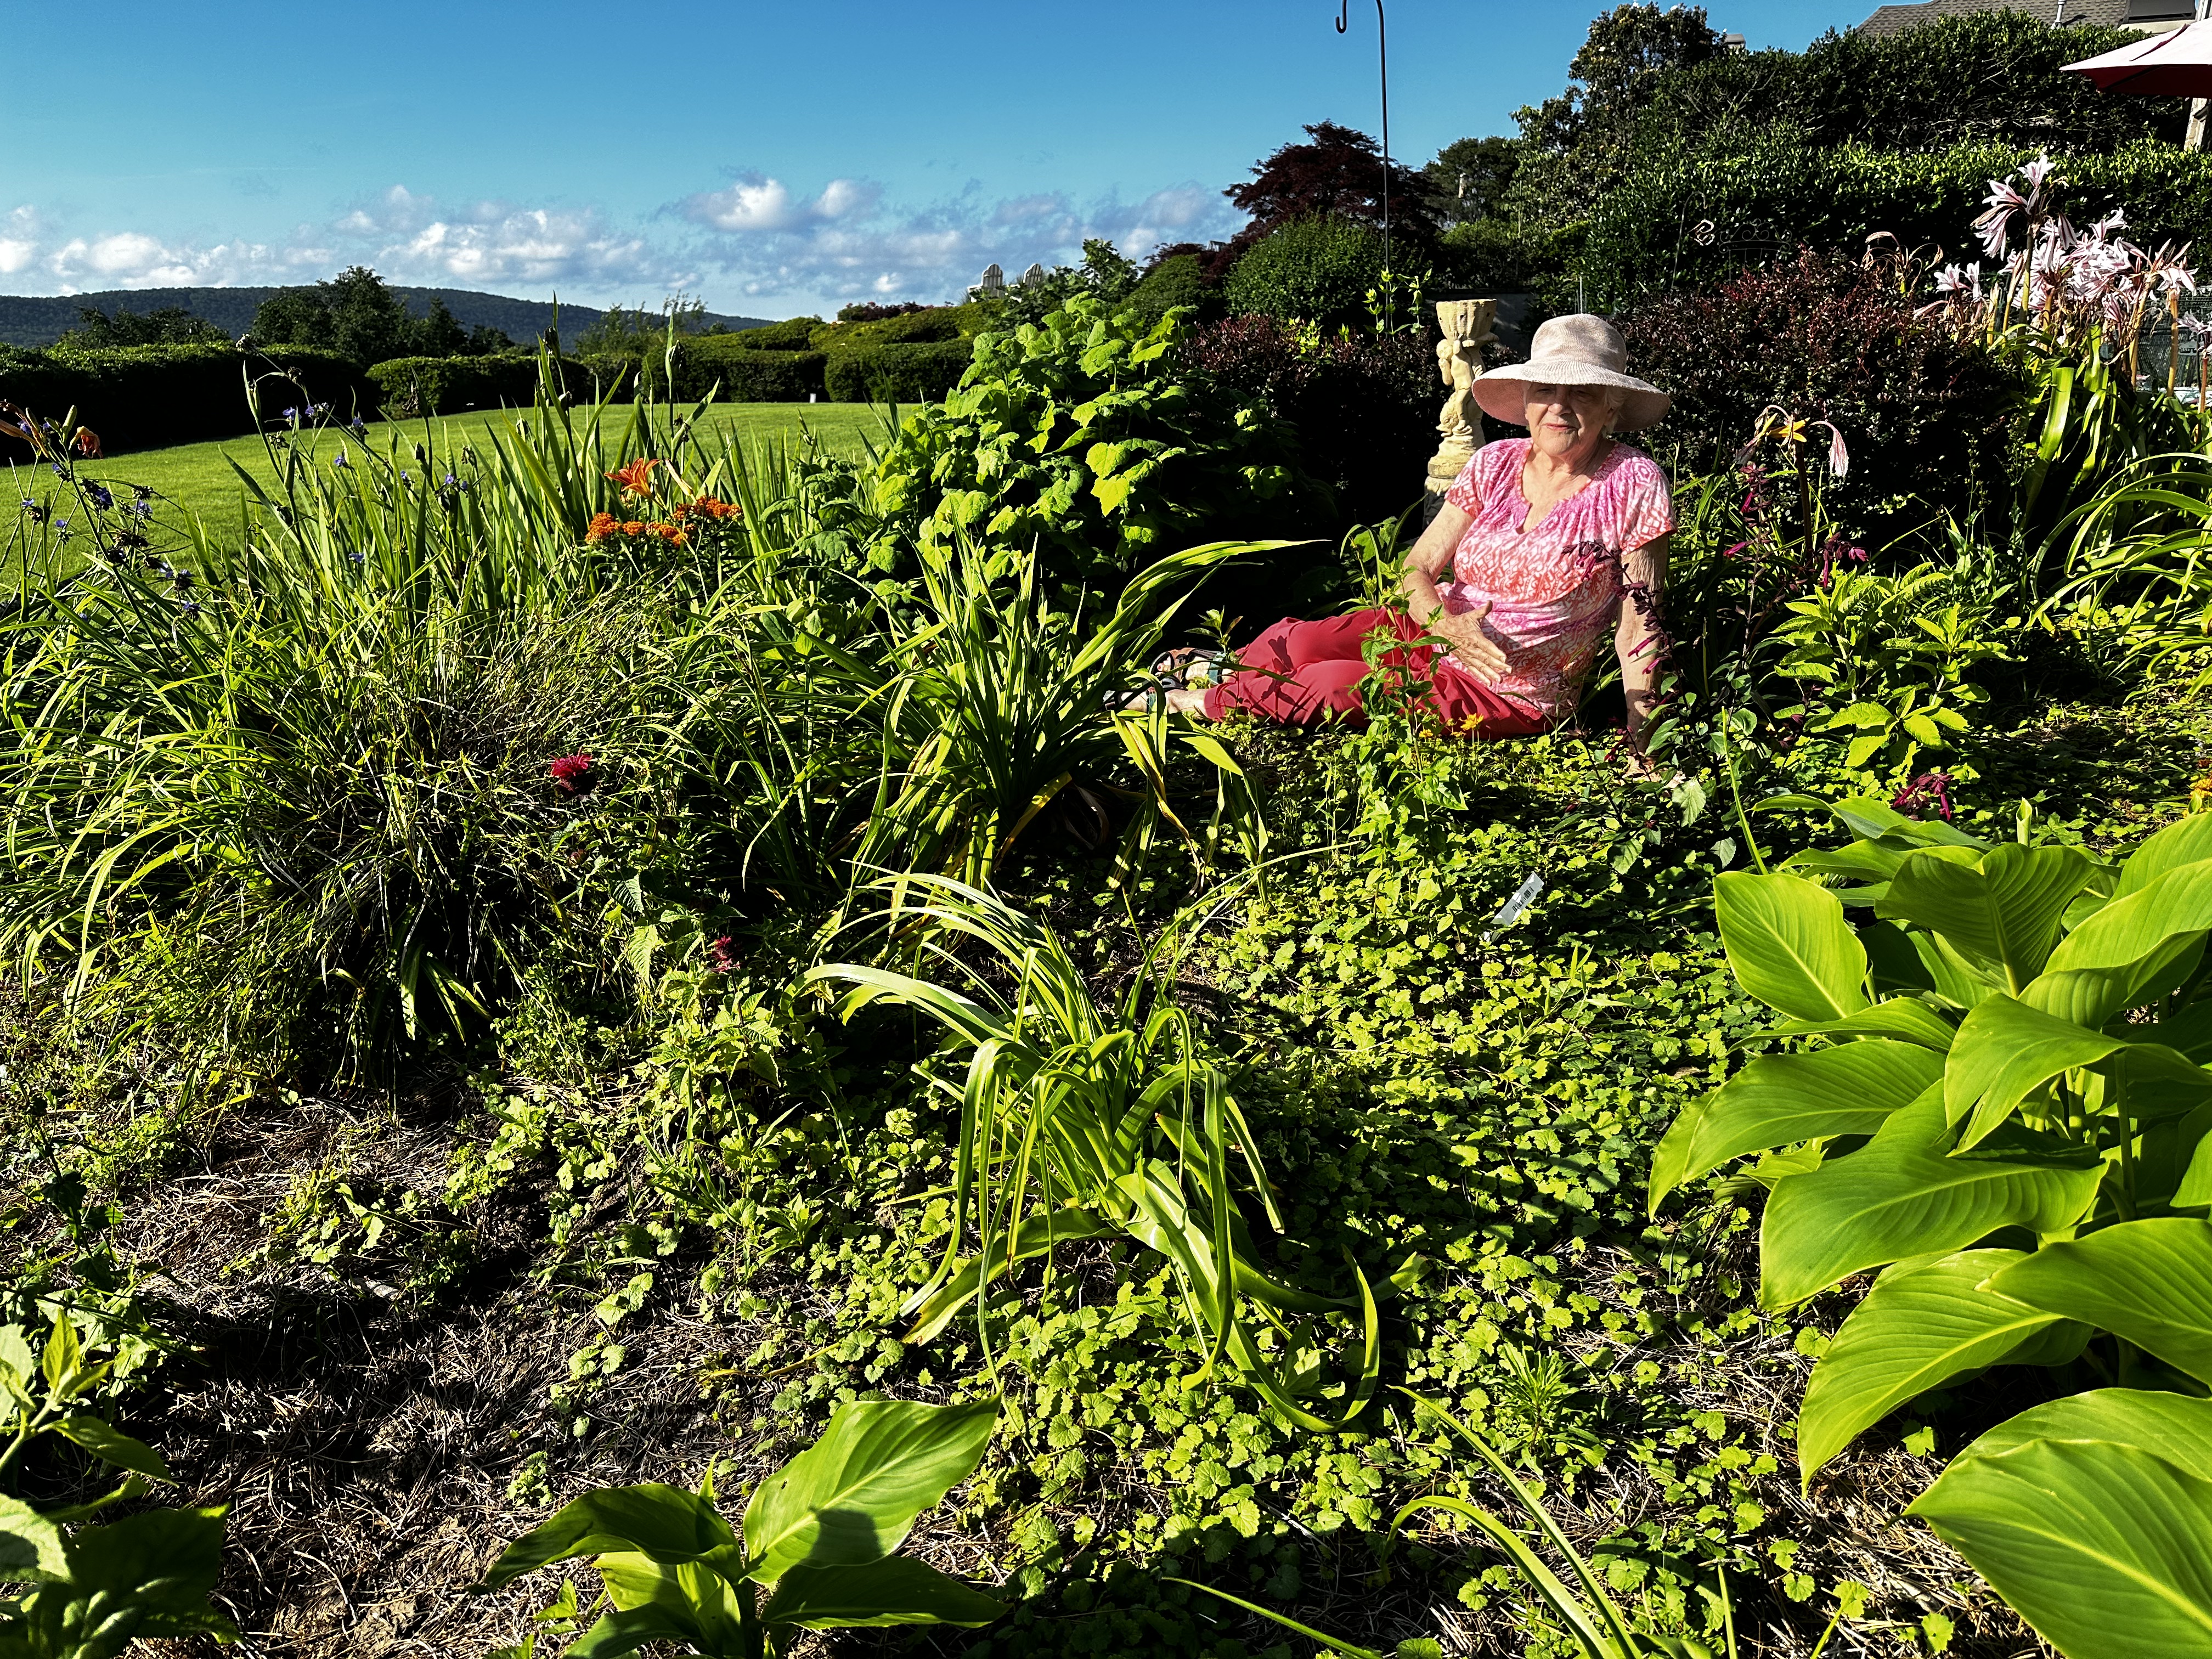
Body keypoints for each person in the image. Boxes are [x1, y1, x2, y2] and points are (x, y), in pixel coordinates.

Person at [1155, 314, 1674, 770]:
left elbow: (1640, 624)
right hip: (1434, 631)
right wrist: (1445, 624)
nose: (1558, 407)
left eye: (1581, 392)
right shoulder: (1496, 462)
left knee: (1332, 684)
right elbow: (1417, 566)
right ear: (1526, 399)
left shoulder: (1633, 481)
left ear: (1612, 408)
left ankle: (1185, 701)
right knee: (1301, 641)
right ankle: (1226, 666)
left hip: (1509, 689)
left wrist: (1644, 745)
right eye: (1545, 390)